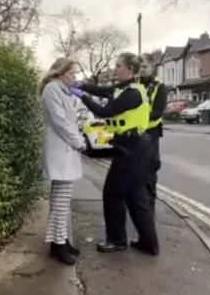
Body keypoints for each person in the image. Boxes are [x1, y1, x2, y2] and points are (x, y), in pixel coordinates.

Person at [71, 53, 159, 256]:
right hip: (131, 145)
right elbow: (102, 90)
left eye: (118, 65)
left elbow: (105, 112)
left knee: (112, 193)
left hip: (133, 147)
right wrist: (82, 85)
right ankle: (149, 243)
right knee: (135, 196)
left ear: (129, 69)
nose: (115, 68)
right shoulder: (122, 89)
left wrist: (81, 96)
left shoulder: (133, 93)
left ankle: (117, 240)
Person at [39, 58, 85, 265]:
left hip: (66, 151)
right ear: (60, 72)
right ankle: (58, 245)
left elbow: (72, 120)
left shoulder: (63, 91)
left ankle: (59, 241)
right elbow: (61, 122)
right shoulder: (52, 89)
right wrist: (80, 142)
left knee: (61, 202)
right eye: (71, 73)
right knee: (60, 203)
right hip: (61, 151)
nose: (74, 77)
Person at [138, 53, 167, 211]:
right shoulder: (134, 84)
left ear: (152, 67)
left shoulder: (158, 86)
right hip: (135, 133)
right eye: (139, 67)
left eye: (145, 67)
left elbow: (157, 112)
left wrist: (137, 119)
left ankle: (149, 210)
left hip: (150, 133)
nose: (141, 70)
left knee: (149, 173)